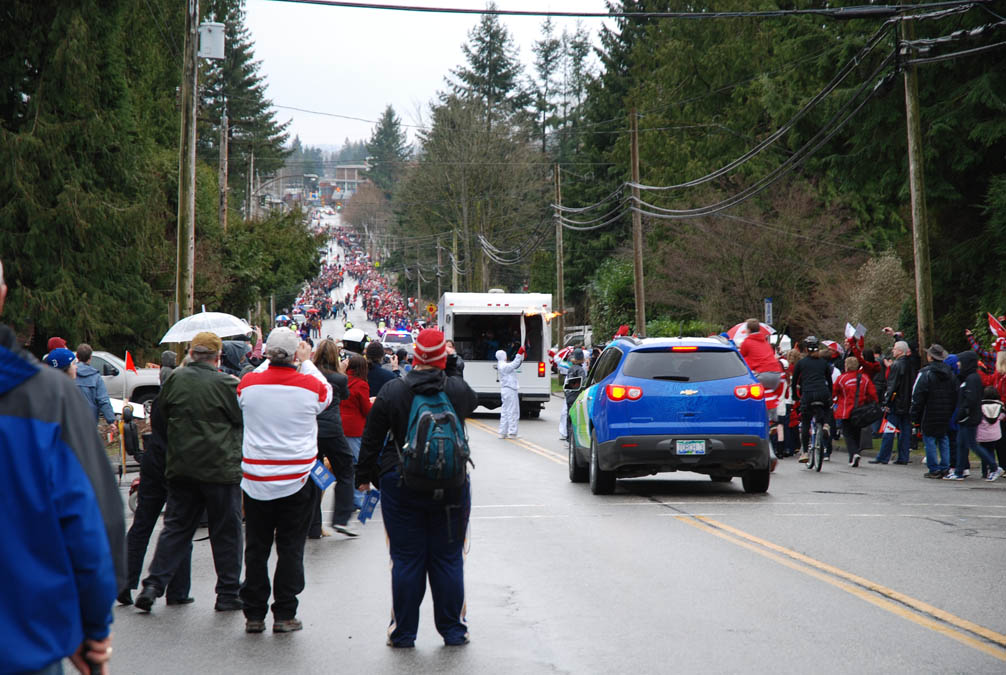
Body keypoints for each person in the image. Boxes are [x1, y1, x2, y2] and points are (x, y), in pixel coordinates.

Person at [0, 260, 124, 674]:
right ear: (3, 295)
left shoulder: (53, 393)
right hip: (22, 644)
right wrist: (92, 628)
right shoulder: (48, 398)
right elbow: (91, 522)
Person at [356, 328, 478, 648]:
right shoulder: (455, 389)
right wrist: (453, 369)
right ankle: (453, 631)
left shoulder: (394, 391)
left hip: (401, 483)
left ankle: (403, 633)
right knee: (448, 558)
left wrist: (364, 476)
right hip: (451, 485)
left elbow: (371, 437)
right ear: (442, 357)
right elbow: (471, 401)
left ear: (415, 355)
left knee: (407, 559)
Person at [135, 332, 244, 613]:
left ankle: (153, 585)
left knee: (176, 529)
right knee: (226, 531)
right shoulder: (228, 384)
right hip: (220, 469)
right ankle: (228, 592)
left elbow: (160, 421)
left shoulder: (174, 380)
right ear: (218, 357)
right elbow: (240, 420)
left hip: (182, 467)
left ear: (192, 353)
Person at [237, 327, 333, 633]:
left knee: (256, 547)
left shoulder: (248, 384)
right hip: (297, 478)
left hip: (256, 480)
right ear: (294, 356)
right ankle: (285, 613)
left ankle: (254, 614)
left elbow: (248, 386)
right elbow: (326, 391)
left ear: (267, 355)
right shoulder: (311, 386)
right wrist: (306, 361)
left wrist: (271, 358)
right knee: (291, 547)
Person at [118, 394, 193, 606]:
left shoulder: (162, 398)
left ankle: (124, 582)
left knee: (141, 525)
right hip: (176, 463)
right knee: (179, 527)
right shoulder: (186, 399)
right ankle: (178, 590)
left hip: (153, 460)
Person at [311, 339, 356, 537]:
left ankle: (313, 525)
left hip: (312, 430)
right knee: (345, 469)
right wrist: (342, 372)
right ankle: (341, 518)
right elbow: (345, 396)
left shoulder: (310, 374)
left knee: (313, 474)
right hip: (332, 430)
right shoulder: (339, 378)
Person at [946, 351, 1003, 481]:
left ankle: (994, 467)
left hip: (970, 417)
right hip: (964, 417)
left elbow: (971, 399)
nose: (958, 364)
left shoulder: (973, 378)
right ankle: (959, 471)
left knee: (973, 444)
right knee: (961, 444)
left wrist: (963, 412)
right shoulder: (966, 377)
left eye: (960, 361)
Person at [910, 344, 958, 478]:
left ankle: (934, 468)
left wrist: (915, 414)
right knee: (943, 438)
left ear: (930, 357)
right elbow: (955, 394)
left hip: (929, 410)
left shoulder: (925, 373)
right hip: (945, 411)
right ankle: (945, 467)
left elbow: (917, 395)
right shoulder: (950, 374)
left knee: (929, 439)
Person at [872, 340, 916, 465]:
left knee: (889, 430)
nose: (893, 350)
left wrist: (887, 402)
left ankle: (883, 456)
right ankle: (903, 456)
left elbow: (892, 385)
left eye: (895, 349)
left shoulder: (896, 365)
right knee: (905, 430)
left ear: (900, 351)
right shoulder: (910, 364)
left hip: (896, 403)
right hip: (907, 402)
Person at [791, 336, 833, 463]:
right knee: (827, 408)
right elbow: (829, 381)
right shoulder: (824, 363)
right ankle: (826, 425)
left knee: (805, 422)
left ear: (806, 349)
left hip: (808, 393)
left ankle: (804, 452)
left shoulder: (801, 363)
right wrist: (830, 394)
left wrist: (795, 396)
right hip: (822, 392)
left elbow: (794, 381)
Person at [341, 354, 373, 509]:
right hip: (355, 429)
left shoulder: (342, 380)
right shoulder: (361, 384)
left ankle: (347, 497)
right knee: (359, 463)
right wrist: (373, 403)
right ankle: (357, 498)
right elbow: (366, 410)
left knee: (345, 464)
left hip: (340, 427)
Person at [833, 356, 877, 467]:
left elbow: (834, 392)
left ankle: (854, 453)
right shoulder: (864, 378)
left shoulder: (842, 378)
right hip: (860, 410)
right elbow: (872, 394)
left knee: (847, 434)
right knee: (857, 432)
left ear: (846, 366)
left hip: (845, 410)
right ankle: (855, 454)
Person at [75, 343, 117, 425]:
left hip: (72, 420)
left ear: (77, 356)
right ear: (90, 357)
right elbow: (103, 400)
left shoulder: (69, 374)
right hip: (90, 420)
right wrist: (111, 420)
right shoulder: (95, 377)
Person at [558, 348, 588, 441]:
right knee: (576, 418)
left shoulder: (571, 369)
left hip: (569, 396)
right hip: (576, 396)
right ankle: (573, 438)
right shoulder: (580, 370)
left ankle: (568, 436)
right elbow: (582, 384)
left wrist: (567, 393)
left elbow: (568, 383)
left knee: (569, 416)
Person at [496, 346, 526, 439]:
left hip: (506, 390)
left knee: (505, 412)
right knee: (513, 411)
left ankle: (502, 432)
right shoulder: (504, 366)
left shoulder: (502, 364)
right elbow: (514, 364)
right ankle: (512, 433)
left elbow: (515, 365)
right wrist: (519, 354)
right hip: (510, 390)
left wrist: (521, 358)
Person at [976, 386, 1004, 481]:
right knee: (991, 451)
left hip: (983, 433)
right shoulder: (1000, 406)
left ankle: (985, 472)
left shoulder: (980, 406)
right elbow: (1002, 416)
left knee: (983, 452)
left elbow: (978, 418)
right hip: (995, 434)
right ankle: (992, 470)